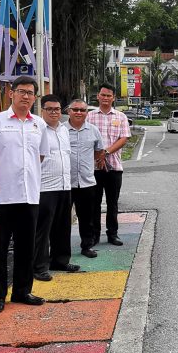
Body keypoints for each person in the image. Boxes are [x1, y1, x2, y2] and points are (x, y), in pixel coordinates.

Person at [0, 76, 49, 313]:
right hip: (1, 197)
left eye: (31, 93)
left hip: (29, 196)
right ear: (11, 93)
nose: (26, 97)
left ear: (34, 97)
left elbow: (40, 156)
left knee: (26, 247)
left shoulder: (38, 125)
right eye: (21, 92)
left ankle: (22, 291)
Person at [33, 94, 81, 280]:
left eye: (57, 109)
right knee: (43, 230)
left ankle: (60, 260)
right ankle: (39, 267)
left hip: (64, 185)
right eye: (50, 109)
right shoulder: (37, 129)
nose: (54, 112)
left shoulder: (63, 130)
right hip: (44, 187)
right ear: (42, 110)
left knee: (63, 226)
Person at [86, 83, 131, 246]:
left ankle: (113, 234)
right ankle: (94, 235)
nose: (105, 98)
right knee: (94, 204)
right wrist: (97, 155)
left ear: (113, 98)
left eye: (108, 95)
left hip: (114, 168)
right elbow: (84, 138)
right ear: (98, 96)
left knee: (112, 203)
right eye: (102, 95)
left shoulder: (120, 117)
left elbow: (124, 138)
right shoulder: (89, 117)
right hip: (93, 168)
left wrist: (106, 152)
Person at [66, 98, 105, 257]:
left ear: (87, 113)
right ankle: (60, 250)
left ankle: (86, 246)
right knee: (61, 220)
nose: (79, 113)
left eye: (82, 110)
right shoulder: (61, 130)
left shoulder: (93, 130)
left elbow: (99, 151)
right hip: (65, 183)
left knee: (87, 218)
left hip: (87, 182)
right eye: (75, 109)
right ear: (69, 111)